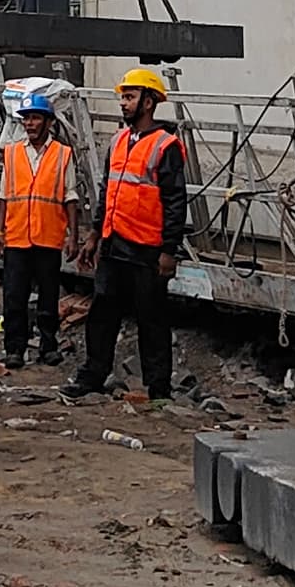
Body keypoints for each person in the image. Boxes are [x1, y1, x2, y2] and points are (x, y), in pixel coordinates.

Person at [69, 67, 190, 401]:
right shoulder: (118, 141)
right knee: (102, 315)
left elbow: (175, 202)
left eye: (130, 97)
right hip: (114, 243)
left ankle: (159, 388)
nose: (123, 103)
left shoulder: (165, 146)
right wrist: (95, 235)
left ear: (148, 102)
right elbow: (107, 191)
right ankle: (92, 376)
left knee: (152, 320)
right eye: (123, 97)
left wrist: (169, 251)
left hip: (147, 250)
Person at [0, 87, 83, 367]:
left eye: (35, 118)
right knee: (14, 296)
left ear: (48, 122)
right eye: (26, 118)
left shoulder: (62, 154)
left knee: (48, 296)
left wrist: (73, 237)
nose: (29, 124)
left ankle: (48, 345)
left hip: (48, 236)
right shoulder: (11, 154)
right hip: (17, 236)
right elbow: (4, 196)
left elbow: (70, 197)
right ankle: (14, 348)